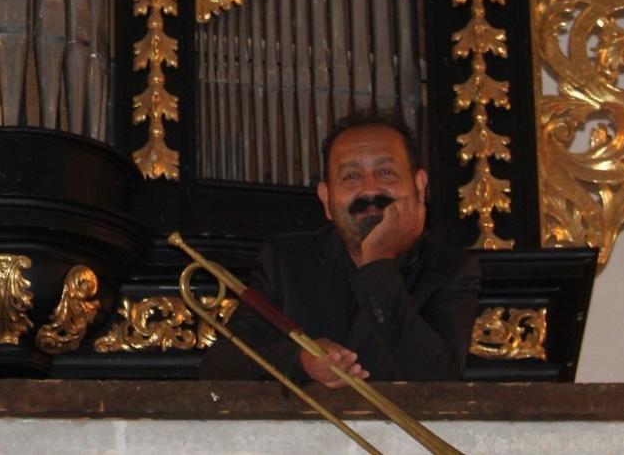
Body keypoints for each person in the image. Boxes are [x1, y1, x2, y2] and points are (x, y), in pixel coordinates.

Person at [200, 113, 479, 385]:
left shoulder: (449, 269)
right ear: (326, 199)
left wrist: (377, 265)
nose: (370, 190)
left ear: (419, 186)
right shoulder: (287, 261)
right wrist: (301, 361)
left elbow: (436, 378)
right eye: (351, 177)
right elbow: (221, 366)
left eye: (386, 172)